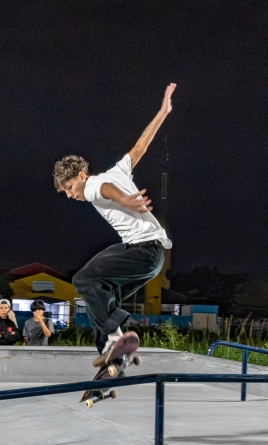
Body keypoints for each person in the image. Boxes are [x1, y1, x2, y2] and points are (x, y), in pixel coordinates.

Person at [54, 83, 177, 360]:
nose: (71, 195)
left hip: (142, 251)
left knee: (83, 278)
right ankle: (114, 349)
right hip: (152, 258)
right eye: (66, 193)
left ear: (81, 176)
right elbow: (141, 146)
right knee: (105, 292)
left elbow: (106, 191)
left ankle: (112, 339)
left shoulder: (93, 186)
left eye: (70, 187)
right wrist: (163, 111)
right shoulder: (118, 170)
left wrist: (125, 200)